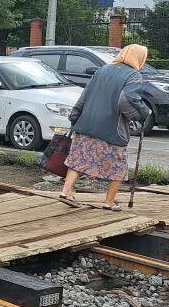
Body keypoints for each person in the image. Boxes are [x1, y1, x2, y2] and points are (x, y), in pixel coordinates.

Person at [59, 43, 151, 210]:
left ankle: (66, 192)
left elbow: (85, 94)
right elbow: (126, 100)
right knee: (118, 166)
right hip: (111, 129)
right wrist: (141, 114)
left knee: (78, 160)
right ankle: (109, 202)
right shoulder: (134, 76)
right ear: (139, 58)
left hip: (86, 123)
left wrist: (75, 116)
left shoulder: (102, 69)